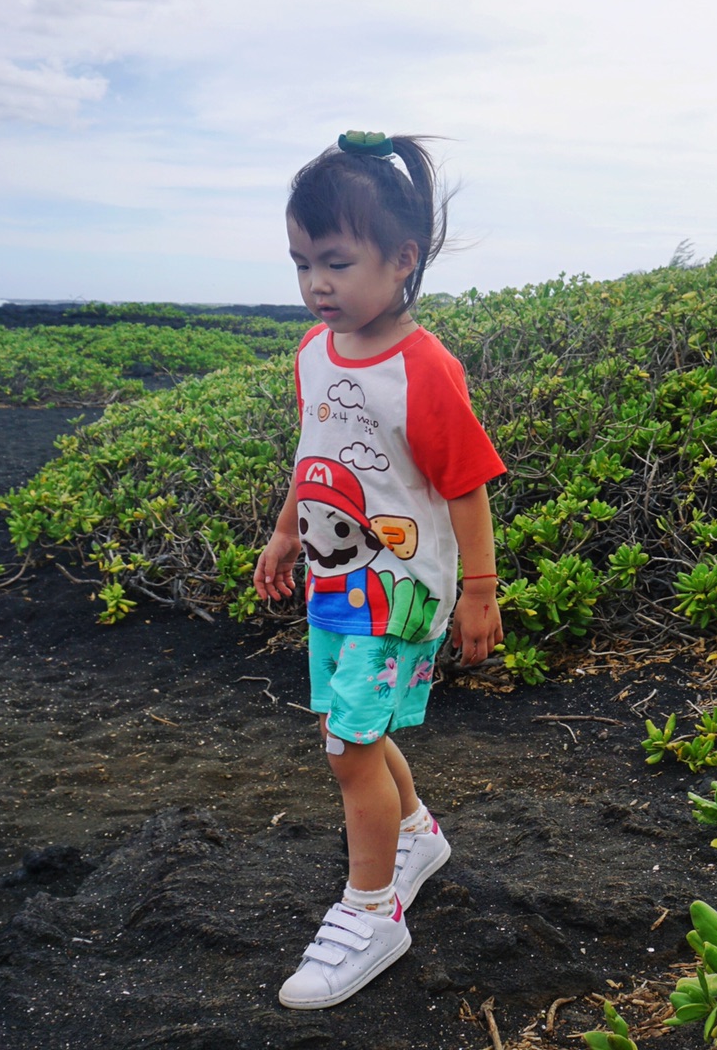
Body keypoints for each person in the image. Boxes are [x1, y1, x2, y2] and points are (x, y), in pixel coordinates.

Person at [253, 131, 505, 1009]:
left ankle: (373, 909)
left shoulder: (424, 368)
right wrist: (285, 533)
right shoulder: (315, 353)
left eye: (335, 262)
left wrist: (480, 591)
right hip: (332, 576)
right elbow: (313, 454)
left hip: (402, 593)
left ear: (403, 260)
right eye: (300, 264)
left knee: (348, 745)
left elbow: (466, 486)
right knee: (348, 722)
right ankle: (416, 834)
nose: (316, 285)